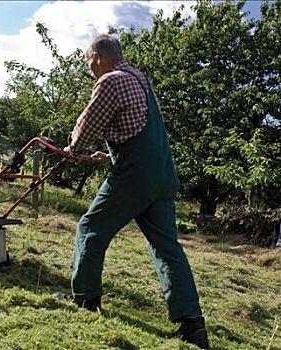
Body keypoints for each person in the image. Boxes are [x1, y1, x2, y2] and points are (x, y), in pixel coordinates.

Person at [58, 34, 210, 349]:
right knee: (167, 248)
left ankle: (84, 300)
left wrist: (75, 148)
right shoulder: (140, 79)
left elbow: (87, 128)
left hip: (135, 176)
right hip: (163, 176)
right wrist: (106, 155)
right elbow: (134, 127)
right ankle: (192, 326)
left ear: (98, 57)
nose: (89, 69)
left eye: (88, 62)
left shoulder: (110, 81)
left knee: (90, 228)